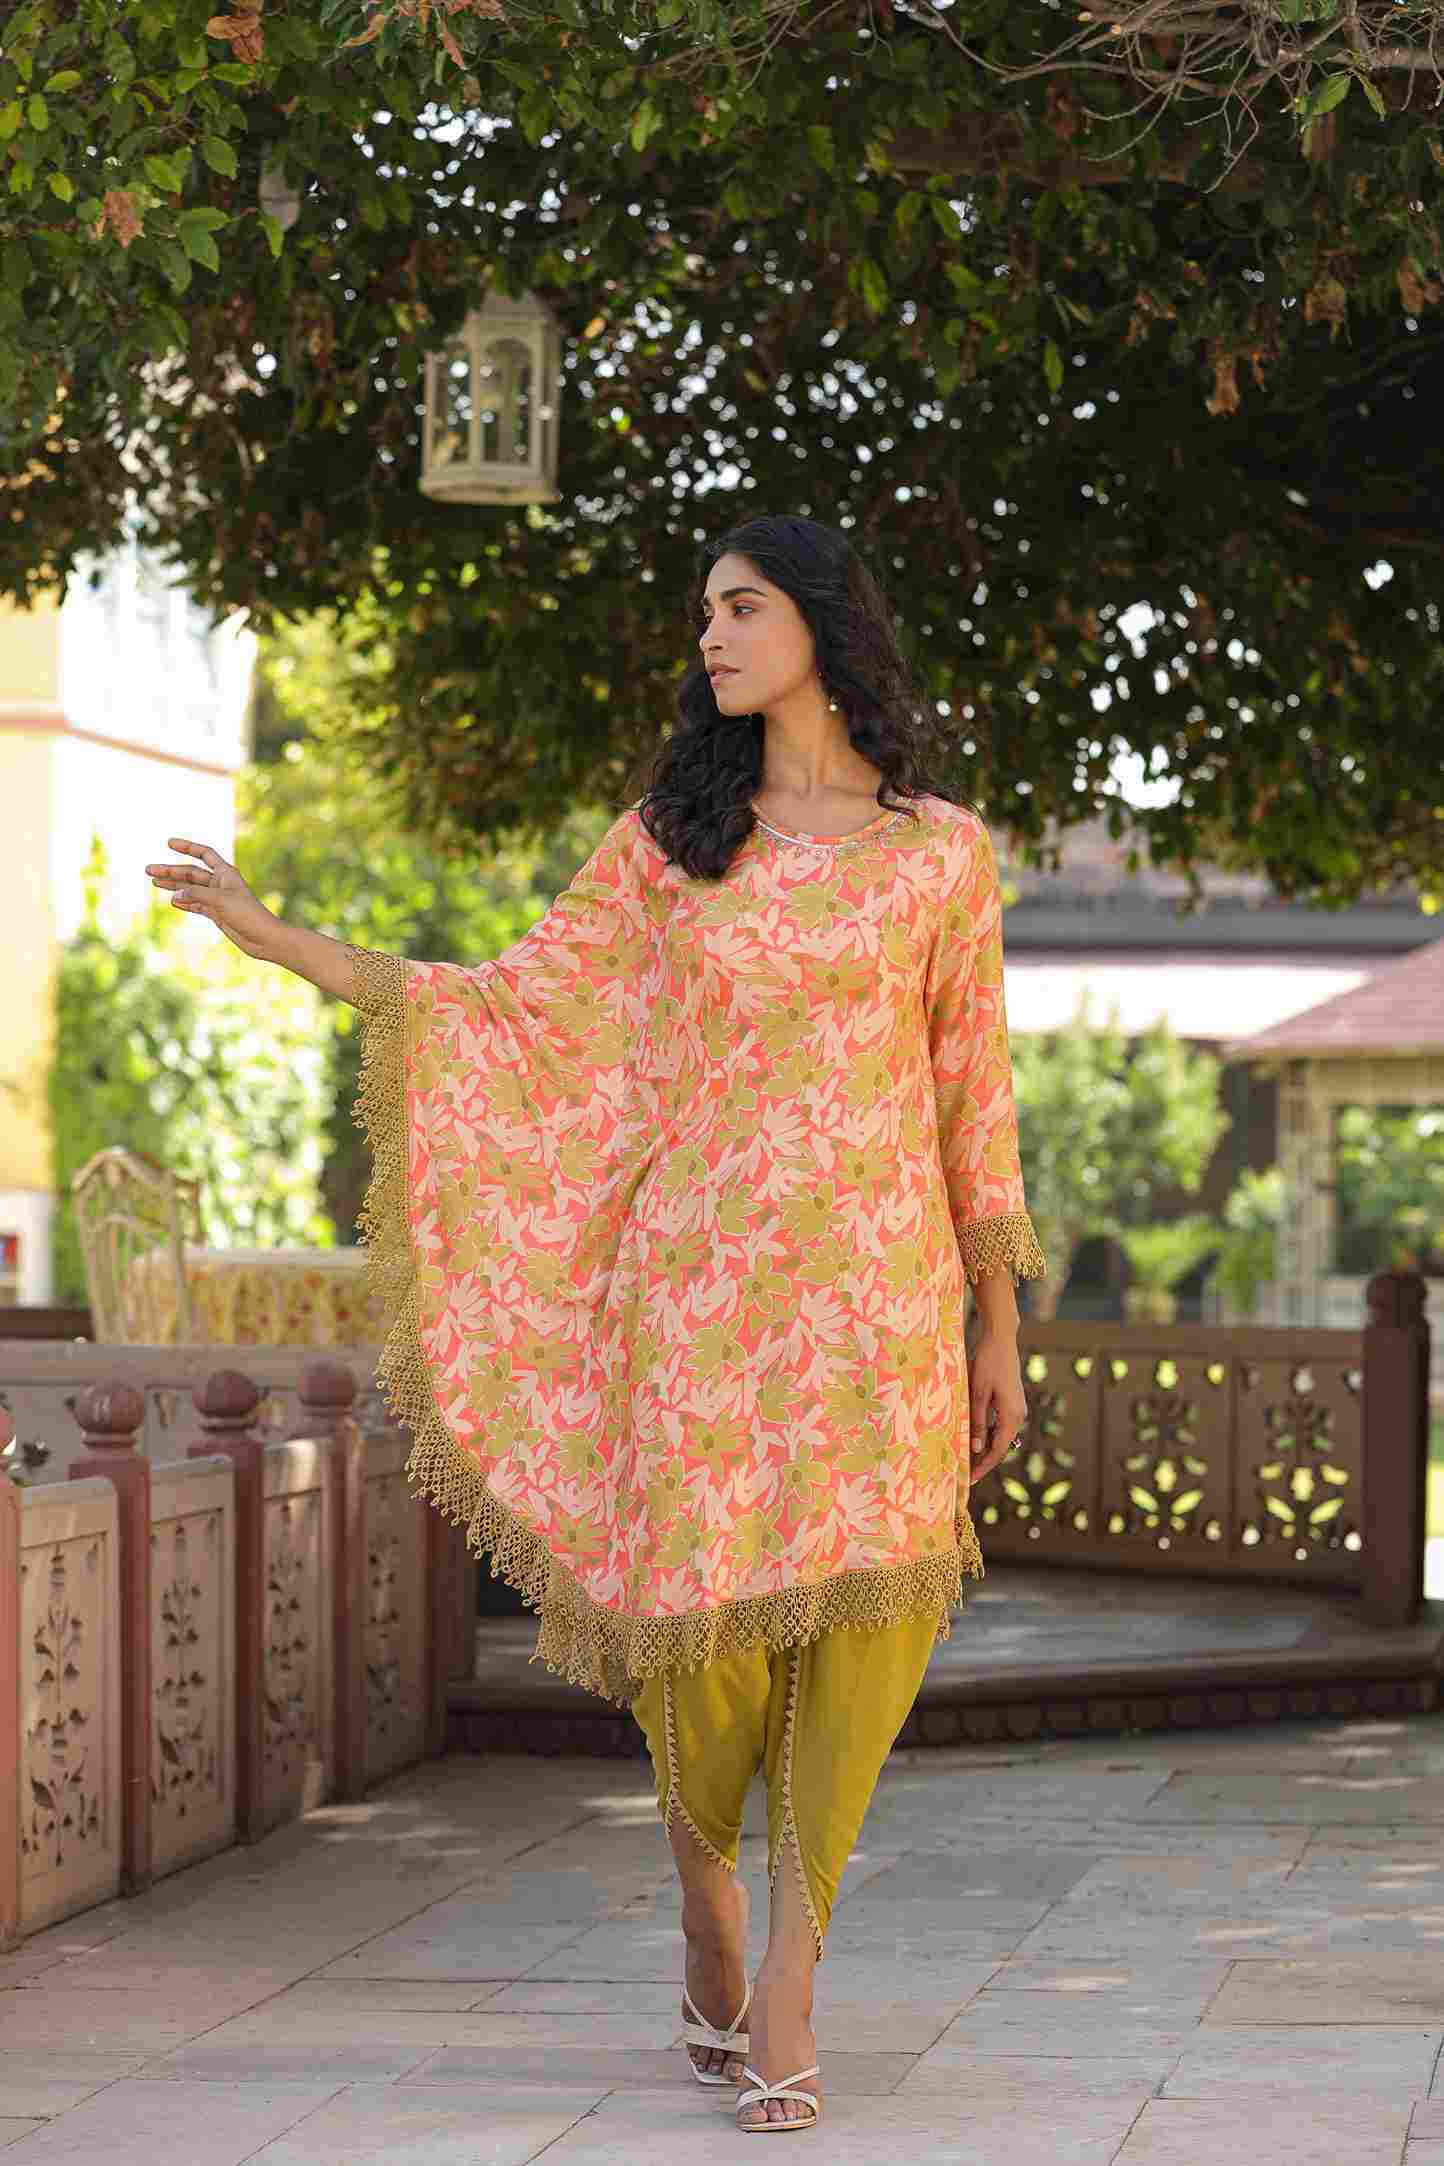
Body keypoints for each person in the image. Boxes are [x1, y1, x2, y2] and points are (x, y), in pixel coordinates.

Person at [145, 512, 1043, 2134]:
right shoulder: (670, 845)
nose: (712, 636)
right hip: (693, 1309)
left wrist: (998, 1322)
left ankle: (791, 1984)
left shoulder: (940, 854)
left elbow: (971, 1093)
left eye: (741, 607)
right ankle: (706, 1902)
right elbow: (506, 1008)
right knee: (700, 1656)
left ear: (820, 623)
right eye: (705, 613)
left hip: (879, 1315)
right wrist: (275, 939)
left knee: (864, 1644)